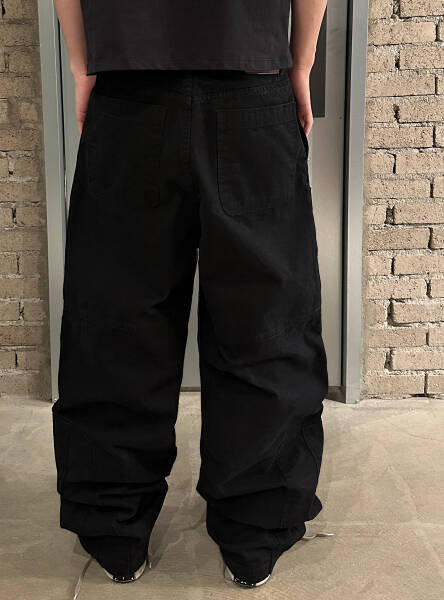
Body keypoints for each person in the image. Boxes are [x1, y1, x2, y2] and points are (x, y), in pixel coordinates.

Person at [51, 0, 330, 592]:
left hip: (128, 92)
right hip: (252, 83)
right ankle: (255, 533)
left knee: (117, 320)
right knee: (266, 322)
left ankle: (114, 528)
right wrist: (300, 65)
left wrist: (82, 67)